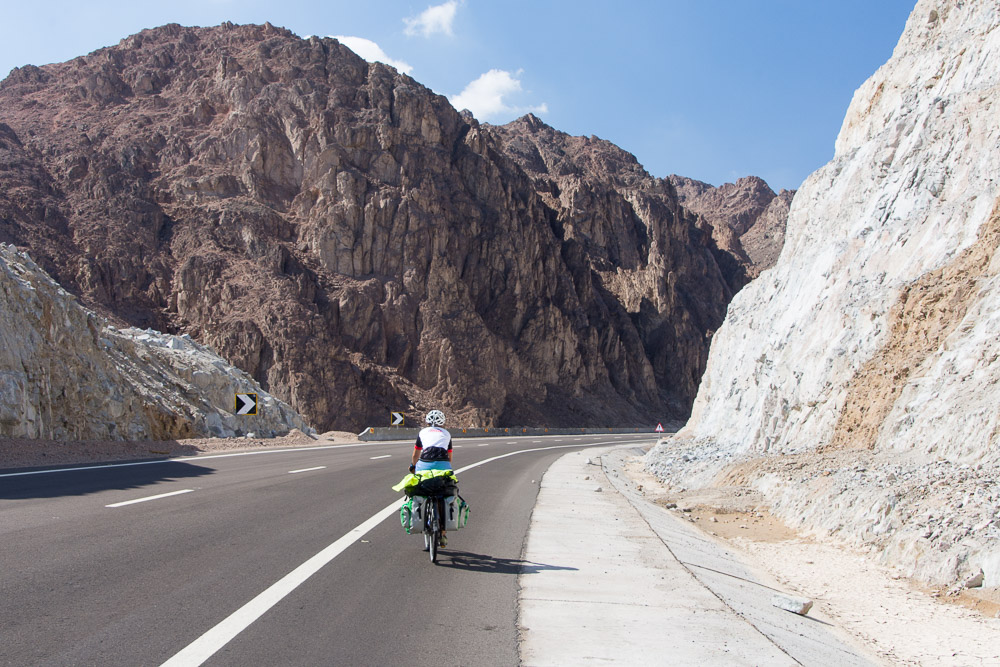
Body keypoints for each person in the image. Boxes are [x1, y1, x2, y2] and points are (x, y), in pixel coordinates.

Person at [410, 409, 453, 547]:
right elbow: (450, 457)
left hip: (424, 466)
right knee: (443, 496)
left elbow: (416, 454)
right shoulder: (447, 434)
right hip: (444, 466)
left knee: (422, 491)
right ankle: (444, 532)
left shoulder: (422, 432)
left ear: (428, 421)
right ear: (443, 422)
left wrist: (413, 466)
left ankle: (422, 519)